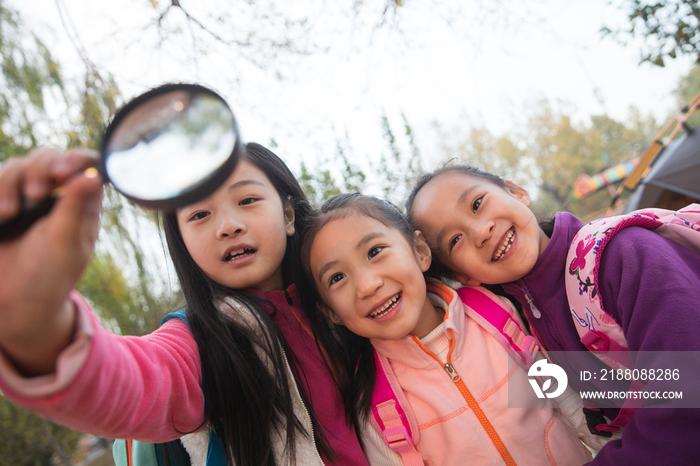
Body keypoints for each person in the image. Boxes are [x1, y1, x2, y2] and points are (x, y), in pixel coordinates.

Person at [0, 144, 398, 466]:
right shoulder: (203, 340)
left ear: (289, 213)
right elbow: (135, 383)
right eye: (200, 214)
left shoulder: (352, 300)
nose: (227, 224)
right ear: (183, 243)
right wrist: (37, 325)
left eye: (247, 199)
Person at [404, 163, 700, 465]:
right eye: (455, 240)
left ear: (516, 192)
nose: (480, 232)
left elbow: (687, 391)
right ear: (464, 277)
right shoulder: (523, 328)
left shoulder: (623, 254)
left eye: (477, 204)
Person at [302, 192, 594, 465]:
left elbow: (569, 403)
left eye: (375, 251)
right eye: (337, 277)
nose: (367, 285)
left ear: (419, 251)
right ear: (331, 312)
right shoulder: (375, 402)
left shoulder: (493, 315)